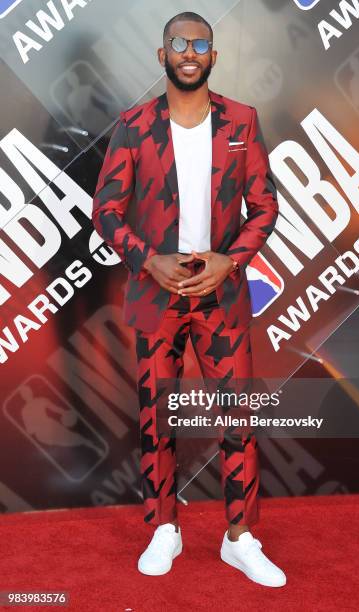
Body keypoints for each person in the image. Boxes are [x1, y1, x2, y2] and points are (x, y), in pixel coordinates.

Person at [92, 11, 285, 588]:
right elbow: (107, 210)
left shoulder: (243, 121)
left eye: (201, 43)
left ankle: (240, 538)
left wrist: (232, 260)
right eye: (179, 43)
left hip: (221, 294)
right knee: (157, 419)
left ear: (214, 55)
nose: (190, 51)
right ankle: (164, 530)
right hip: (157, 295)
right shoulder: (133, 125)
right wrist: (148, 259)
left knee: (238, 419)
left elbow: (265, 206)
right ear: (163, 55)